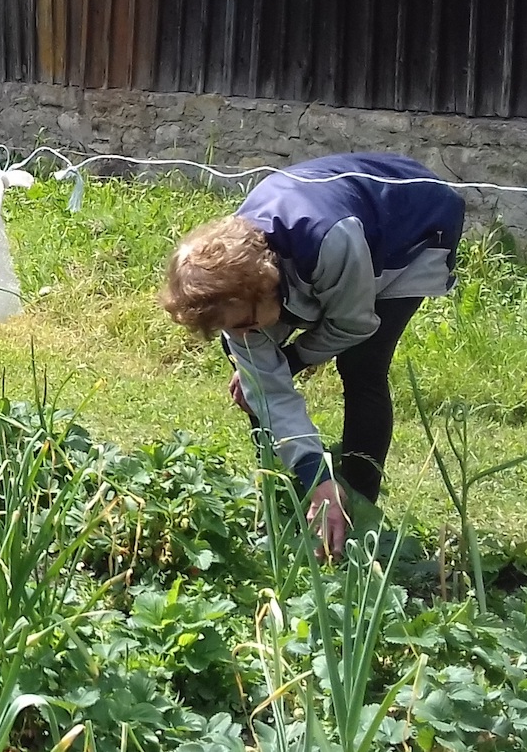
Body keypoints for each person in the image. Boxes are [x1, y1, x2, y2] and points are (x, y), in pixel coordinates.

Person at [159, 152, 463, 556]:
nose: (241, 334)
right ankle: (288, 494)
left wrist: (293, 359)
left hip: (409, 229)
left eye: (246, 321)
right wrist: (314, 469)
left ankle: (357, 512)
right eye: (230, 327)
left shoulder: (330, 241)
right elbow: (271, 389)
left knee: (362, 365)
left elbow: (354, 323)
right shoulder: (234, 295)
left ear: (266, 285)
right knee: (254, 384)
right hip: (320, 248)